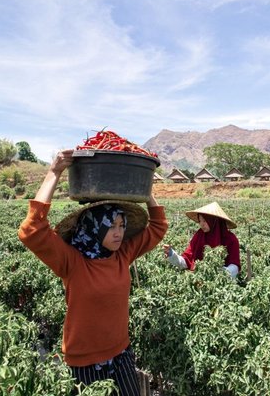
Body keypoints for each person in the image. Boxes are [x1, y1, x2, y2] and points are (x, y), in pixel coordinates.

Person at [17, 149, 168, 396]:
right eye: (112, 226)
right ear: (94, 227)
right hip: (84, 363)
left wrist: (144, 188)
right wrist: (54, 172)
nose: (119, 233)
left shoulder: (122, 255)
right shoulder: (72, 263)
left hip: (122, 353)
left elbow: (158, 226)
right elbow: (32, 230)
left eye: (122, 225)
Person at [163, 201, 240, 279]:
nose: (201, 224)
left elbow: (235, 266)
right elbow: (187, 260)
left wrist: (221, 274)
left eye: (204, 221)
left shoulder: (230, 239)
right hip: (199, 281)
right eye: (200, 221)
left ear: (214, 220)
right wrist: (172, 255)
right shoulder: (199, 236)